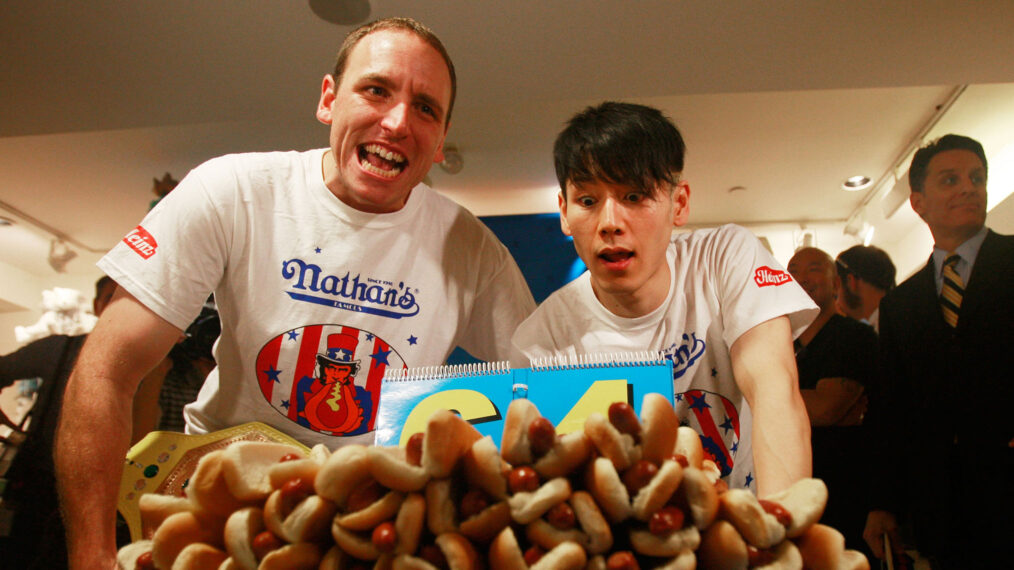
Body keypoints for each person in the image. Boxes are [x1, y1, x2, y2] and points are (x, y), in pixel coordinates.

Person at [55, 17, 535, 568]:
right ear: (328, 99)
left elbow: (547, 390)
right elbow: (107, 370)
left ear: (442, 136)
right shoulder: (232, 191)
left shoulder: (472, 249)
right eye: (376, 90)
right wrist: (91, 553)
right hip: (213, 501)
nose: (398, 121)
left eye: (426, 108)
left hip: (363, 527)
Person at [511, 102, 817, 497]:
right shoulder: (541, 340)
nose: (609, 223)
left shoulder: (724, 257)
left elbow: (775, 387)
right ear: (564, 213)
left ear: (680, 204)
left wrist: (781, 530)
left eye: (634, 196)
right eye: (587, 201)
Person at [863, 134, 1014, 568]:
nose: (969, 187)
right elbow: (893, 407)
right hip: (945, 508)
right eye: (950, 180)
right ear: (918, 202)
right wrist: (883, 503)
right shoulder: (900, 303)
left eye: (976, 178)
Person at [0, 276, 114, 569]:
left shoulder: (161, 360)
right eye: (113, 297)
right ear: (97, 305)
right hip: (43, 481)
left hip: (113, 491)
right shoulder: (60, 349)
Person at [787, 246, 877, 556]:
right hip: (795, 493)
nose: (801, 277)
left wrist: (768, 397)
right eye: (793, 270)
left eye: (813, 269)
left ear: (836, 284)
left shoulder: (854, 337)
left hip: (847, 492)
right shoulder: (783, 345)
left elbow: (827, 408)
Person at [834, 245, 895, 331]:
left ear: (851, 281)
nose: (837, 303)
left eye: (837, 291)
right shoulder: (901, 317)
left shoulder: (881, 332)